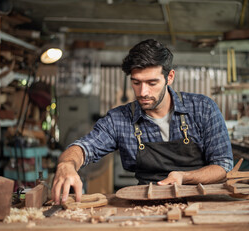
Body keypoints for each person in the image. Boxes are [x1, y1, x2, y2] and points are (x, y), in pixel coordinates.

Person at [52, 39, 233, 204]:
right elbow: (85, 147)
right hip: (148, 206)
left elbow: (223, 165)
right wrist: (66, 165)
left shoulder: (203, 108)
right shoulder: (119, 119)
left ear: (169, 77)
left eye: (152, 83)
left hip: (202, 202)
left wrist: (184, 177)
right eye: (136, 82)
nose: (143, 92)